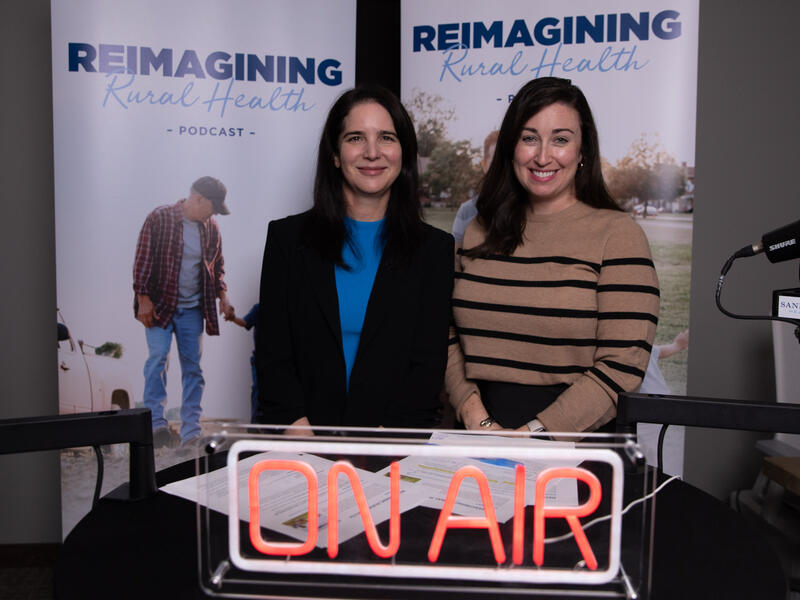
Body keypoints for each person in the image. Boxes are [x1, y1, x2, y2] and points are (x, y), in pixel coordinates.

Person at [446, 77, 659, 435]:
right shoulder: (477, 230)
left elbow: (624, 363)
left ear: (582, 152)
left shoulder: (619, 235)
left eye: (560, 139)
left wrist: (533, 434)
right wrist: (475, 416)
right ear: (512, 147)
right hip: (478, 429)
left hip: (574, 440)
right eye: (529, 138)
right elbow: (445, 333)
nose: (543, 156)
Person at [255, 84, 454, 431]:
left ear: (404, 153)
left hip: (389, 447)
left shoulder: (434, 250)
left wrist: (379, 449)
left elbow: (427, 368)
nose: (372, 152)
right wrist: (299, 432)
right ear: (335, 153)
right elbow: (273, 354)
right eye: (356, 138)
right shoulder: (287, 240)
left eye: (387, 138)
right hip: (300, 445)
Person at [133, 176, 234, 446]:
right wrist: (143, 298)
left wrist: (223, 298)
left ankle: (191, 432)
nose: (214, 213)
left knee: (193, 369)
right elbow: (142, 259)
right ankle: (156, 426)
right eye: (212, 207)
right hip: (159, 306)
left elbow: (217, 267)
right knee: (157, 359)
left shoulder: (211, 228)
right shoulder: (159, 218)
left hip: (192, 309)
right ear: (199, 199)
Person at [451, 130, 498, 250]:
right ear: (484, 165)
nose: (503, 169)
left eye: (509, 162)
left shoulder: (535, 210)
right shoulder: (467, 211)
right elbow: (455, 261)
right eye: (496, 162)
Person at [229, 302, 261, 422]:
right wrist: (233, 318)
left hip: (280, 359)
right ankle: (256, 422)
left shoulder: (285, 307)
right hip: (260, 359)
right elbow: (245, 322)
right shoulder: (259, 308)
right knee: (258, 390)